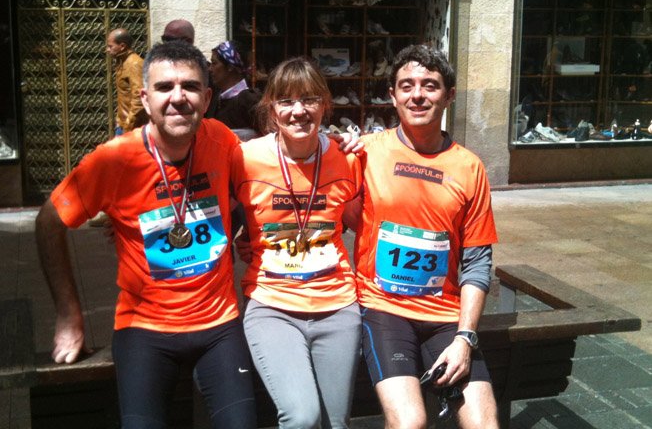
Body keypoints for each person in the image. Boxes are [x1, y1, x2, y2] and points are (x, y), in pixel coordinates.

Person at [35, 41, 257, 429]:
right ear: (145, 98)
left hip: (218, 324)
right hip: (145, 329)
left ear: (207, 98)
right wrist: (69, 315)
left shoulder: (221, 140)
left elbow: (269, 174)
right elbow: (49, 221)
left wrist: (334, 145)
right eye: (164, 87)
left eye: (190, 86)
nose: (178, 98)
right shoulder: (114, 158)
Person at [348, 44, 500, 429]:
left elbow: (477, 263)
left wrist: (465, 338)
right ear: (393, 95)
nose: (417, 95)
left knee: (484, 424)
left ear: (449, 95)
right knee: (409, 422)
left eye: (430, 85)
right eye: (407, 85)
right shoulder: (365, 152)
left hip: (445, 315)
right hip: (384, 307)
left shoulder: (469, 167)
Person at [231, 57, 362, 428]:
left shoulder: (348, 158)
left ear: (325, 104)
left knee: (336, 423)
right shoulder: (245, 158)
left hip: (337, 305)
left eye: (310, 99)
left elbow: (366, 219)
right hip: (272, 304)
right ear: (271, 107)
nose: (298, 110)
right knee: (302, 417)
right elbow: (211, 203)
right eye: (286, 101)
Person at [208, 40, 262, 140]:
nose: (210, 69)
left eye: (214, 63)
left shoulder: (249, 101)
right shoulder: (216, 99)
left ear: (230, 67)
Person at [106, 28, 147, 135]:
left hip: (132, 127)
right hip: (123, 124)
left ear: (122, 46)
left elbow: (139, 98)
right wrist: (119, 120)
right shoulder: (123, 62)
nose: (107, 50)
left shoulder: (134, 64)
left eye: (110, 46)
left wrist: (128, 126)